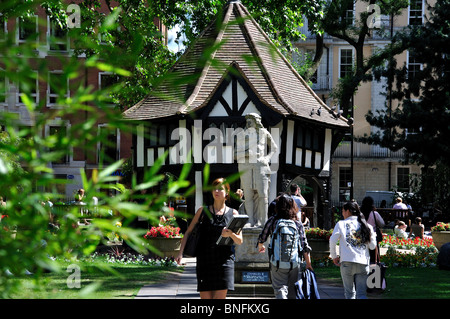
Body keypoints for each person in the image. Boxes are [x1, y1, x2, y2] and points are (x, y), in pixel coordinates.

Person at [176, 178, 243, 299]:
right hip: (205, 261)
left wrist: (230, 234)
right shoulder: (202, 211)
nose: (216, 191)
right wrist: (180, 254)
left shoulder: (233, 214)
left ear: (227, 192)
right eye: (214, 189)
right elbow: (188, 233)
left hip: (224, 262)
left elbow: (239, 240)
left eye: (220, 189)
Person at [257, 194, 313, 299]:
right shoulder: (297, 223)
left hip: (277, 262)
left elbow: (262, 237)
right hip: (294, 262)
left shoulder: (273, 220)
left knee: (279, 288)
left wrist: (261, 246)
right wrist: (308, 263)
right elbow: (304, 244)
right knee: (293, 290)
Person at [236, 113, 278, 227]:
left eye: (251, 120)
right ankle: (250, 220)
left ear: (257, 122)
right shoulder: (241, 135)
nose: (249, 123)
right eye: (247, 120)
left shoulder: (264, 133)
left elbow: (274, 147)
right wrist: (245, 153)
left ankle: (263, 221)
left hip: (260, 165)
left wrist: (267, 158)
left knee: (262, 194)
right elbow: (235, 153)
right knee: (248, 195)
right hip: (245, 165)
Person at [329, 201, 376, 299]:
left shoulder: (341, 224)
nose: (342, 213)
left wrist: (334, 256)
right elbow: (372, 246)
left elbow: (332, 240)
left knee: (349, 293)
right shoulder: (367, 226)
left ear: (347, 211)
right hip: (363, 262)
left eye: (342, 211)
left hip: (347, 261)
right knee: (362, 294)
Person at [361, 196, 385, 264]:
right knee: (373, 257)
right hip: (372, 237)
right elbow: (382, 224)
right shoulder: (374, 214)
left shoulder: (359, 214)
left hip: (361, 236)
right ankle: (374, 271)